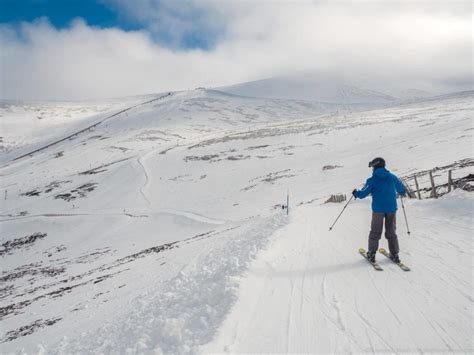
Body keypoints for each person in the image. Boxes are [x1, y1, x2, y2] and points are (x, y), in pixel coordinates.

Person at [352, 157, 406, 263]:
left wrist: (356, 193)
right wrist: (402, 192)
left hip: (378, 210)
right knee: (391, 231)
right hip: (391, 209)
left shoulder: (372, 180)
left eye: (372, 166)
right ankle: (395, 254)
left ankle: (372, 254)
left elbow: (363, 194)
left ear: (375, 166)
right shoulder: (392, 177)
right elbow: (402, 190)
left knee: (375, 231)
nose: (372, 169)